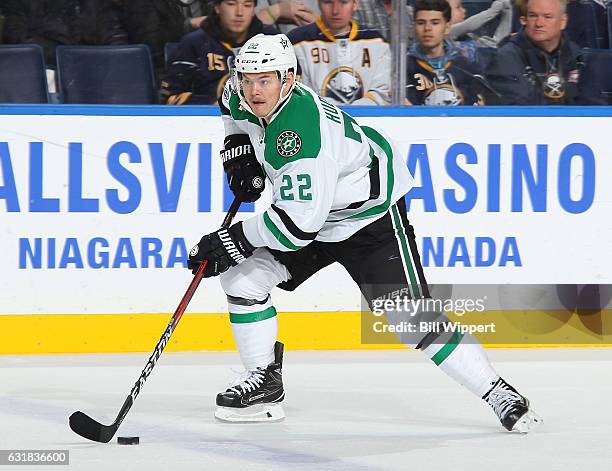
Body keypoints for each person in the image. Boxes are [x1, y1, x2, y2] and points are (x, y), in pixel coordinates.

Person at [187, 32, 542, 433]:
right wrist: (239, 153)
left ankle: (496, 390)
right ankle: (264, 382)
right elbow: (230, 110)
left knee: (410, 319)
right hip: (315, 212)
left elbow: (297, 227)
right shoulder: (241, 93)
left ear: (288, 78)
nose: (253, 90)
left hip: (368, 219)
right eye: (247, 78)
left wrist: (233, 239)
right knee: (243, 279)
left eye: (264, 80)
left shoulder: (302, 135)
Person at [485, 0, 601, 105]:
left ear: (563, 22)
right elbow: (513, 109)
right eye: (533, 16)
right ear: (524, 20)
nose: (539, 23)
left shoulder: (579, 60)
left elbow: (595, 108)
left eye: (547, 17)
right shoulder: (504, 58)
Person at [162, 0, 277, 105]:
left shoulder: (272, 41)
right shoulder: (194, 43)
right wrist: (212, 104)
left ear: (253, 10)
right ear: (217, 7)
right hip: (208, 122)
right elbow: (170, 96)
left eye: (247, 5)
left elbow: (292, 90)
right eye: (231, 4)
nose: (239, 13)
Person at [287, 0, 391, 105]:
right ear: (319, 3)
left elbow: (384, 92)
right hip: (315, 119)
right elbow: (293, 94)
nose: (335, 11)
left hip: (367, 120)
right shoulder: (296, 41)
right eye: (328, 2)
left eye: (343, 2)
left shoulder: (377, 42)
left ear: (355, 4)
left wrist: (355, 112)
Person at [406, 0, 487, 105]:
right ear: (414, 27)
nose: (427, 28)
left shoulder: (467, 67)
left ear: (447, 27)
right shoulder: (403, 69)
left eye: (435, 23)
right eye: (421, 23)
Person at [447, 0, 513, 48]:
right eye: (458, 7)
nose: (464, 10)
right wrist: (493, 11)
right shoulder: (445, 38)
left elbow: (496, 44)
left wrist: (507, 11)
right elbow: (467, 26)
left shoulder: (470, 37)